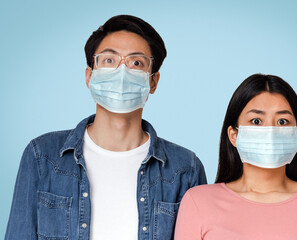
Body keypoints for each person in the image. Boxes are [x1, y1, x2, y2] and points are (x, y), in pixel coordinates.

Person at [5, 15, 207, 240]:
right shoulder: (42, 156)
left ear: (153, 81)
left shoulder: (185, 169)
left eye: (136, 63)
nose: (122, 72)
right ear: (90, 76)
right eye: (109, 60)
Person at [174, 74, 297, 239]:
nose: (271, 131)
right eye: (256, 121)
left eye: (282, 122)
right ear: (234, 135)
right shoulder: (198, 202)